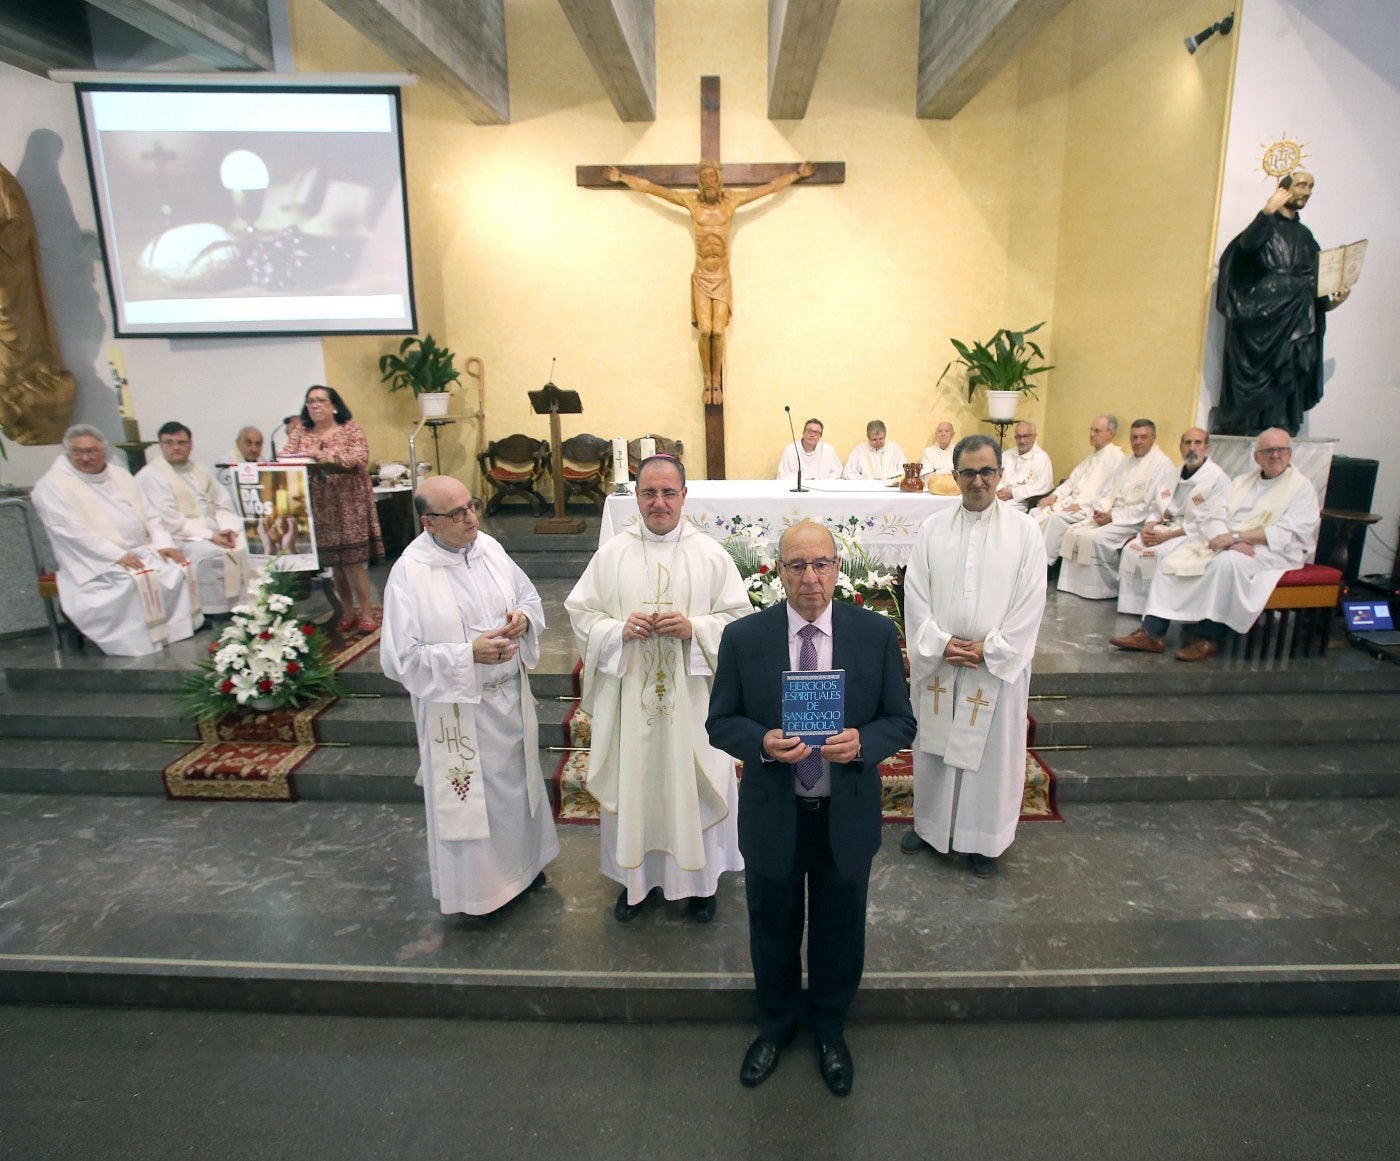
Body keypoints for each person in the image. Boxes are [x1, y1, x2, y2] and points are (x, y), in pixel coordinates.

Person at [707, 520, 915, 1097]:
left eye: (821, 564)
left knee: (840, 928)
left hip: (843, 809)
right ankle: (774, 1024)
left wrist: (865, 744)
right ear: (778, 572)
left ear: (838, 569)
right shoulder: (745, 639)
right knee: (771, 925)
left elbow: (901, 719)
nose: (811, 578)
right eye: (797, 566)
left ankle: (829, 1027)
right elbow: (721, 721)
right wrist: (762, 743)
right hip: (776, 809)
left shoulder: (873, 634)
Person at [565, 455, 752, 923]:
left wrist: (695, 628)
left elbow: (740, 624)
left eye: (669, 492)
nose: (660, 502)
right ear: (637, 497)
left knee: (692, 785)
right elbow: (582, 616)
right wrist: (616, 631)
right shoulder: (612, 554)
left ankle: (701, 885)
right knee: (639, 785)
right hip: (633, 707)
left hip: (694, 707)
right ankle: (637, 883)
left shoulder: (710, 555)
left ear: (684, 496)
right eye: (649, 493)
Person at [380, 475, 559, 920]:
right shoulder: (410, 573)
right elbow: (400, 658)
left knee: (517, 793)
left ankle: (526, 867)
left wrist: (522, 620)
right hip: (459, 712)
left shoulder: (490, 549)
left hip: (509, 699)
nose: (470, 518)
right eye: (456, 513)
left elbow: (528, 597)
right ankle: (485, 893)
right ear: (429, 523)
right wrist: (467, 655)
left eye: (471, 506)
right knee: (474, 802)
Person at [902, 435, 1046, 877]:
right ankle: (932, 828)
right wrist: (938, 642)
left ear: (1000, 474)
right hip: (945, 661)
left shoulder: (1025, 532)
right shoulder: (933, 529)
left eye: (987, 471)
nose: (978, 480)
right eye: (968, 472)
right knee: (936, 749)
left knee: (990, 757)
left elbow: (1031, 601)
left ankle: (985, 840)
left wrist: (993, 649)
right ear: (956, 476)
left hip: (993, 667)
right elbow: (916, 594)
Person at [605, 159, 814, 403]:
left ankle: (718, 382)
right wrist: (622, 177)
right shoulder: (691, 202)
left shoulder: (731, 201)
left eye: (712, 176)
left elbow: (768, 189)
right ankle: (708, 381)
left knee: (718, 331)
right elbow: (653, 189)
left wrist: (797, 174)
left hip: (722, 276)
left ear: (719, 178)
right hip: (702, 276)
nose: (708, 181)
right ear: (699, 182)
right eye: (704, 178)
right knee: (705, 331)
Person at [1110, 428, 1321, 662]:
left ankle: (1208, 637)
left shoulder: (1301, 489)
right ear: (1256, 456)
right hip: (1228, 542)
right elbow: (1213, 514)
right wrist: (1225, 538)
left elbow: (1290, 532)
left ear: (1290, 454)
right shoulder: (1242, 482)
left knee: (1224, 565)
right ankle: (1152, 633)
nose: (1276, 455)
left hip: (1272, 550)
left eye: (1282, 450)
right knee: (1172, 558)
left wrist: (1238, 539)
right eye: (1269, 450)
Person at [31, 424, 201, 656]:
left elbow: (150, 514)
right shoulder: (52, 485)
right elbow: (70, 532)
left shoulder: (119, 475)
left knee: (178, 567)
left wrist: (164, 544)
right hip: (94, 561)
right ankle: (135, 641)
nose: (85, 458)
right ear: (67, 453)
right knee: (131, 583)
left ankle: (171, 632)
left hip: (140, 550)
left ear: (104, 451)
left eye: (92, 451)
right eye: (77, 452)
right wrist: (117, 555)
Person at [1215, 171, 1351, 435]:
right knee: (1262, 373)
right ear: (1284, 189)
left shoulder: (1305, 235)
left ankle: (1282, 425)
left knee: (1290, 370)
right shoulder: (1264, 225)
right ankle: (1251, 423)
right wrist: (1266, 212)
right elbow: (1246, 249)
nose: (1307, 191)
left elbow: (1314, 284)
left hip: (1296, 320)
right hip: (1264, 317)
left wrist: (1332, 304)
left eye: (1311, 186)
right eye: (1302, 185)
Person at [278, 385, 383, 633]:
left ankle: (366, 612)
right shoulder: (301, 432)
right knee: (335, 564)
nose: (314, 405)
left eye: (320, 401)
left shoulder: (350, 429)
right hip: (321, 506)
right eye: (310, 401)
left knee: (353, 562)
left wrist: (328, 458)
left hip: (349, 504)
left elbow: (359, 457)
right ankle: (347, 611)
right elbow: (285, 457)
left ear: (334, 405)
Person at [137, 421, 250, 615]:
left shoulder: (200, 469)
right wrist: (211, 535)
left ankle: (249, 606)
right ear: (161, 445)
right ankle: (215, 612)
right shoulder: (151, 475)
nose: (176, 447)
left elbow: (223, 502)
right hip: (181, 536)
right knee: (210, 554)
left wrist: (228, 529)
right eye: (169, 442)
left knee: (251, 544)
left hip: (216, 529)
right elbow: (170, 520)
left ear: (191, 445)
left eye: (181, 442)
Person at [1116, 428, 1231, 616]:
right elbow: (1156, 506)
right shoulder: (1174, 474)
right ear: (1180, 447)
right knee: (1132, 548)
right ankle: (1133, 607)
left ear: (1207, 447)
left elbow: (1207, 522)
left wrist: (1166, 537)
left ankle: (1157, 611)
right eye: (1187, 443)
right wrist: (1149, 525)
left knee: (1159, 554)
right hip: (1166, 527)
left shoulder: (1217, 479)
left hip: (1192, 534)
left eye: (1198, 443)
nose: (1192, 448)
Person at [1056, 419, 1175, 600]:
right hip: (1113, 516)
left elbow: (1151, 505)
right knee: (1074, 532)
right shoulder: (1127, 462)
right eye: (1134, 437)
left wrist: (1113, 517)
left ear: (1154, 438)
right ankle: (1073, 586)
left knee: (1096, 538)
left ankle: (1101, 589)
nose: (1138, 442)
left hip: (1134, 521)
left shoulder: (1162, 465)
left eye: (1144, 437)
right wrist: (1100, 510)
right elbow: (1106, 490)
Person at [1034, 414, 1124, 561]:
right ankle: (1025, 557)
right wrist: (1054, 496)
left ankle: (1043, 564)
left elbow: (1110, 493)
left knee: (1056, 519)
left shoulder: (1117, 459)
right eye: (1091, 430)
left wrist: (1083, 505)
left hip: (1087, 509)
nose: (1091, 434)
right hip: (1070, 503)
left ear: (1111, 434)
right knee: (1035, 511)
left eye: (1097, 431)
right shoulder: (1090, 457)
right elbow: (1070, 482)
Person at [997, 421, 1054, 512]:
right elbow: (995, 475)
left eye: (1026, 436)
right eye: (1019, 437)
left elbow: (1043, 486)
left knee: (1001, 510)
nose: (1022, 441)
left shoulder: (1041, 458)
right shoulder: (1007, 454)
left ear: (1034, 436)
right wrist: (999, 490)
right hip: (1001, 496)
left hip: (1023, 501)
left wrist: (1012, 493)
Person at [777, 417, 843, 481]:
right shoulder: (790, 450)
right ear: (803, 433)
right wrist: (804, 482)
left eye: (816, 432)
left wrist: (820, 483)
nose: (812, 434)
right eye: (809, 431)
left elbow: (836, 473)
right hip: (797, 490)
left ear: (820, 436)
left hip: (821, 489)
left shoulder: (828, 450)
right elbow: (783, 475)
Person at [843, 420, 907, 482]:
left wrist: (892, 480)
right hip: (867, 489)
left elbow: (903, 472)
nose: (878, 442)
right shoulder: (859, 450)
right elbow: (848, 473)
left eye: (881, 439)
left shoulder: (895, 449)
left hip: (890, 489)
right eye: (874, 440)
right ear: (868, 437)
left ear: (885, 435)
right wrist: (866, 480)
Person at [919, 421, 957, 488]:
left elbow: (959, 475)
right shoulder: (927, 452)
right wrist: (949, 473)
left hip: (954, 490)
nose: (943, 434)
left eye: (947, 431)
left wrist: (938, 471)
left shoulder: (958, 451)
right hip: (932, 491)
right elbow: (927, 476)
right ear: (936, 434)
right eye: (940, 431)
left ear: (952, 434)